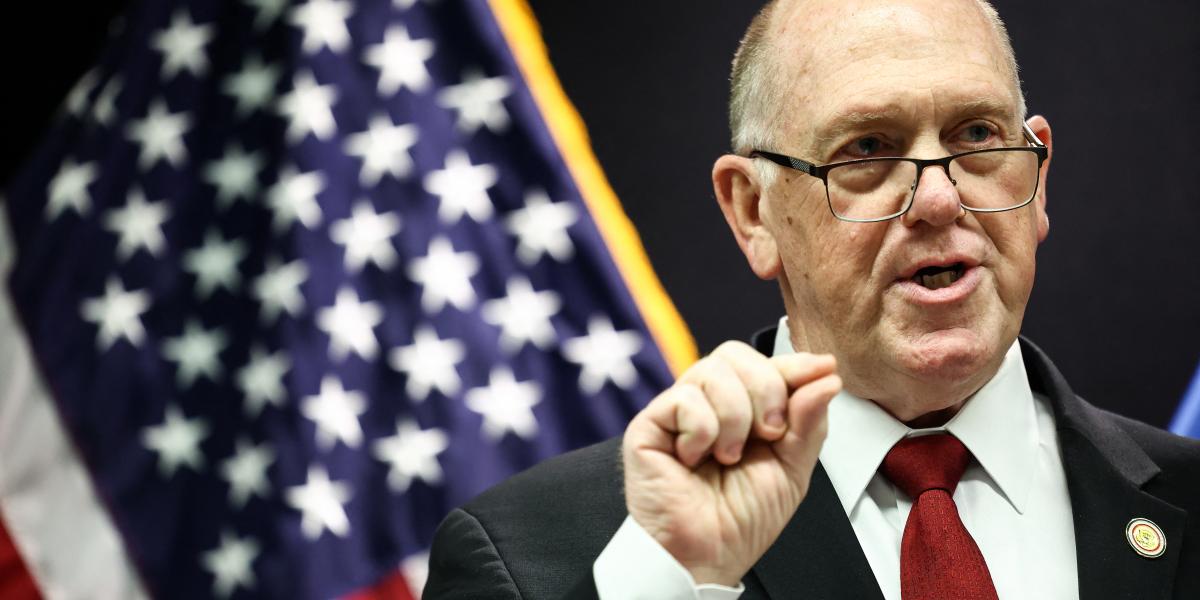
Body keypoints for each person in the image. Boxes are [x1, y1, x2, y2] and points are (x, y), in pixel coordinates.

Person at [423, 0, 1200, 598]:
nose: (939, 199)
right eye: (866, 149)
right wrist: (678, 580)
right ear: (753, 212)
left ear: (1037, 176)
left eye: (975, 135)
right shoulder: (529, 558)